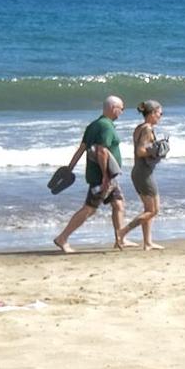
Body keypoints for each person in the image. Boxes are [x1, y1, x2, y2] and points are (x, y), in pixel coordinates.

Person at [54, 95, 127, 253]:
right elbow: (101, 152)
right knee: (90, 208)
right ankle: (62, 238)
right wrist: (105, 177)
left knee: (118, 204)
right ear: (114, 108)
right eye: (122, 109)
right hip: (102, 177)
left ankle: (120, 239)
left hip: (108, 177)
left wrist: (69, 168)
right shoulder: (106, 126)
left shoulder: (94, 125)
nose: (122, 112)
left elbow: (81, 149)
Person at [117, 99, 169, 250]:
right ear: (152, 113)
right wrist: (156, 151)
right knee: (153, 210)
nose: (161, 116)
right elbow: (140, 151)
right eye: (160, 113)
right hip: (143, 173)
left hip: (142, 172)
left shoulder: (140, 127)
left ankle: (147, 242)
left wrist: (155, 150)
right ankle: (123, 232)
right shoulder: (146, 129)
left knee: (149, 209)